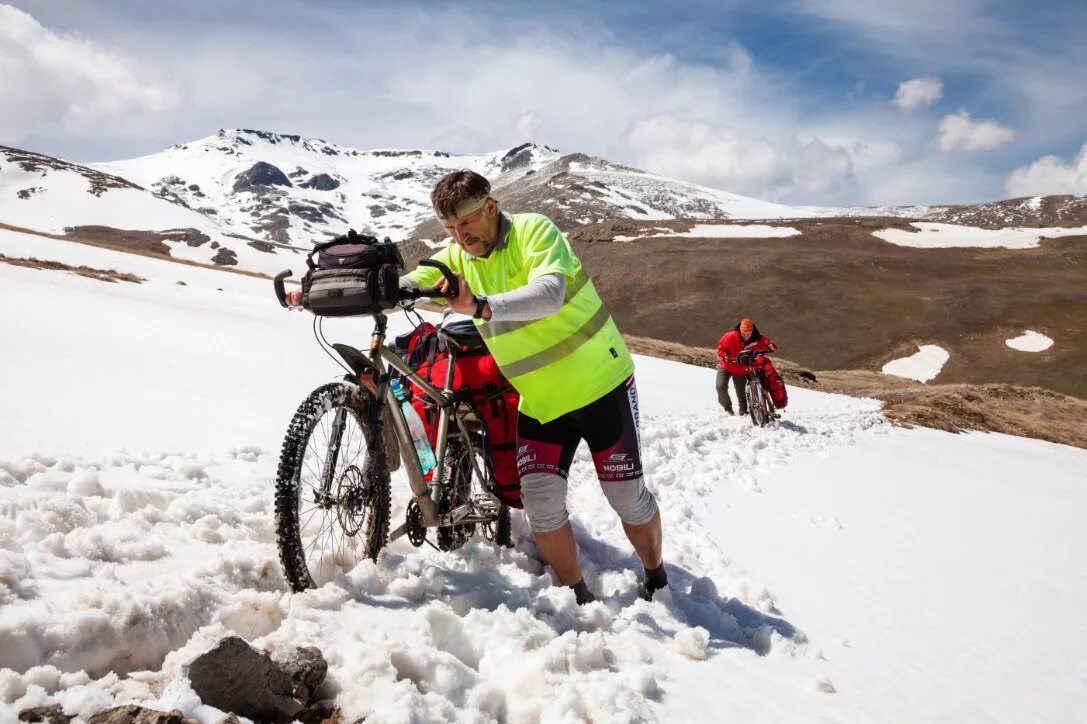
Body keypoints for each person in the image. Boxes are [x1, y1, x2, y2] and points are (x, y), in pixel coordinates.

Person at [291, 170, 667, 604]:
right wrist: (326, 292)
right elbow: (414, 283)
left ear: (490, 207)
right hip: (542, 402)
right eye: (449, 228)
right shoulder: (455, 255)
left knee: (627, 497)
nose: (459, 235)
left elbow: (550, 292)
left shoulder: (533, 231)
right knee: (542, 507)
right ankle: (576, 595)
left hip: (601, 387)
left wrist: (481, 306)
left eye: (466, 223)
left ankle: (656, 575)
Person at [716, 318, 777, 416]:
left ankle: (743, 411)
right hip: (726, 365)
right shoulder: (729, 336)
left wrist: (770, 345)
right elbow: (721, 349)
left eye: (749, 333)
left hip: (741, 369)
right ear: (740, 330)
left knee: (741, 393)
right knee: (720, 386)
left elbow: (767, 342)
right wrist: (724, 356)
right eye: (744, 333)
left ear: (752, 331)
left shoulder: (756, 338)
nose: (747, 336)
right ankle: (728, 409)